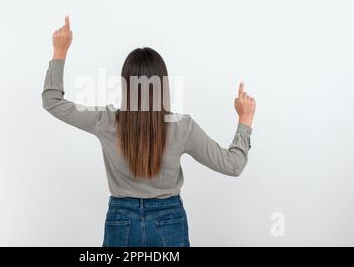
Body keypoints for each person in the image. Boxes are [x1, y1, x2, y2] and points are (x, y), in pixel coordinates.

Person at [42, 15, 256, 247]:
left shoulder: (105, 120)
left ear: (125, 84)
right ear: (162, 84)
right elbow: (232, 165)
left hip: (121, 221)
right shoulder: (182, 126)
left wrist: (59, 50)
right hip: (169, 221)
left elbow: (52, 101)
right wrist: (245, 119)